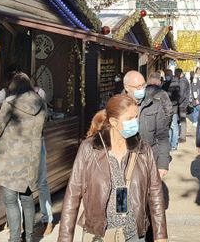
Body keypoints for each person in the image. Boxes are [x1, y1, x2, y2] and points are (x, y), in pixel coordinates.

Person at [57, 94, 168, 242]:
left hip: (134, 235)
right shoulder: (90, 149)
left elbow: (155, 193)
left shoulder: (142, 150)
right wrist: (65, 238)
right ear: (114, 122)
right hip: (100, 235)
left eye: (136, 117)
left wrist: (161, 235)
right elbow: (73, 194)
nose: (135, 122)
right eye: (129, 119)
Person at [0, 72, 47, 242]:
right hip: (31, 158)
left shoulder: (10, 103)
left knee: (10, 199)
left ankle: (15, 238)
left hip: (10, 159)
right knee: (27, 199)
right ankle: (29, 237)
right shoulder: (41, 105)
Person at [140, 72, 174, 178]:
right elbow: (169, 111)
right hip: (157, 131)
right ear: (159, 81)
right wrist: (165, 124)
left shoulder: (142, 92)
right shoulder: (163, 93)